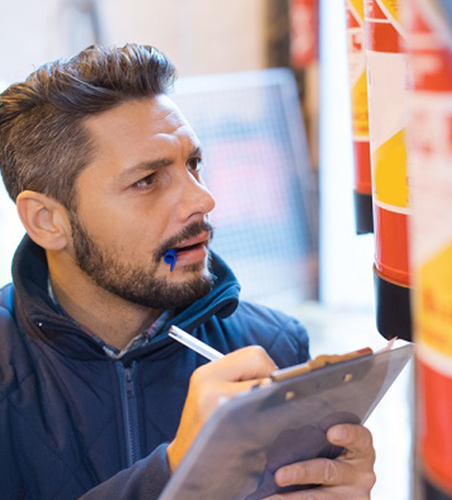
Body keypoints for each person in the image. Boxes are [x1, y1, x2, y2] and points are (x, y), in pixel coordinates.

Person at [0, 44, 376, 500]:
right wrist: (176, 473)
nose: (203, 200)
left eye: (193, 164)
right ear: (47, 220)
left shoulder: (273, 345)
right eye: (147, 181)